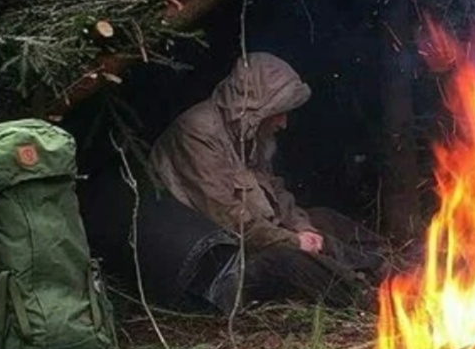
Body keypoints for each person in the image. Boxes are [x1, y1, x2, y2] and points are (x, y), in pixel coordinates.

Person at [149, 52, 386, 309]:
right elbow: (228, 219)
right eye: (279, 112)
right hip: (221, 269)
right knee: (287, 259)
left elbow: (276, 191)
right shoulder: (197, 133)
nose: (283, 123)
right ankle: (370, 299)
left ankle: (388, 268)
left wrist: (302, 227)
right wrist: (293, 241)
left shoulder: (248, 133)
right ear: (257, 105)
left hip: (257, 237)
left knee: (323, 218)